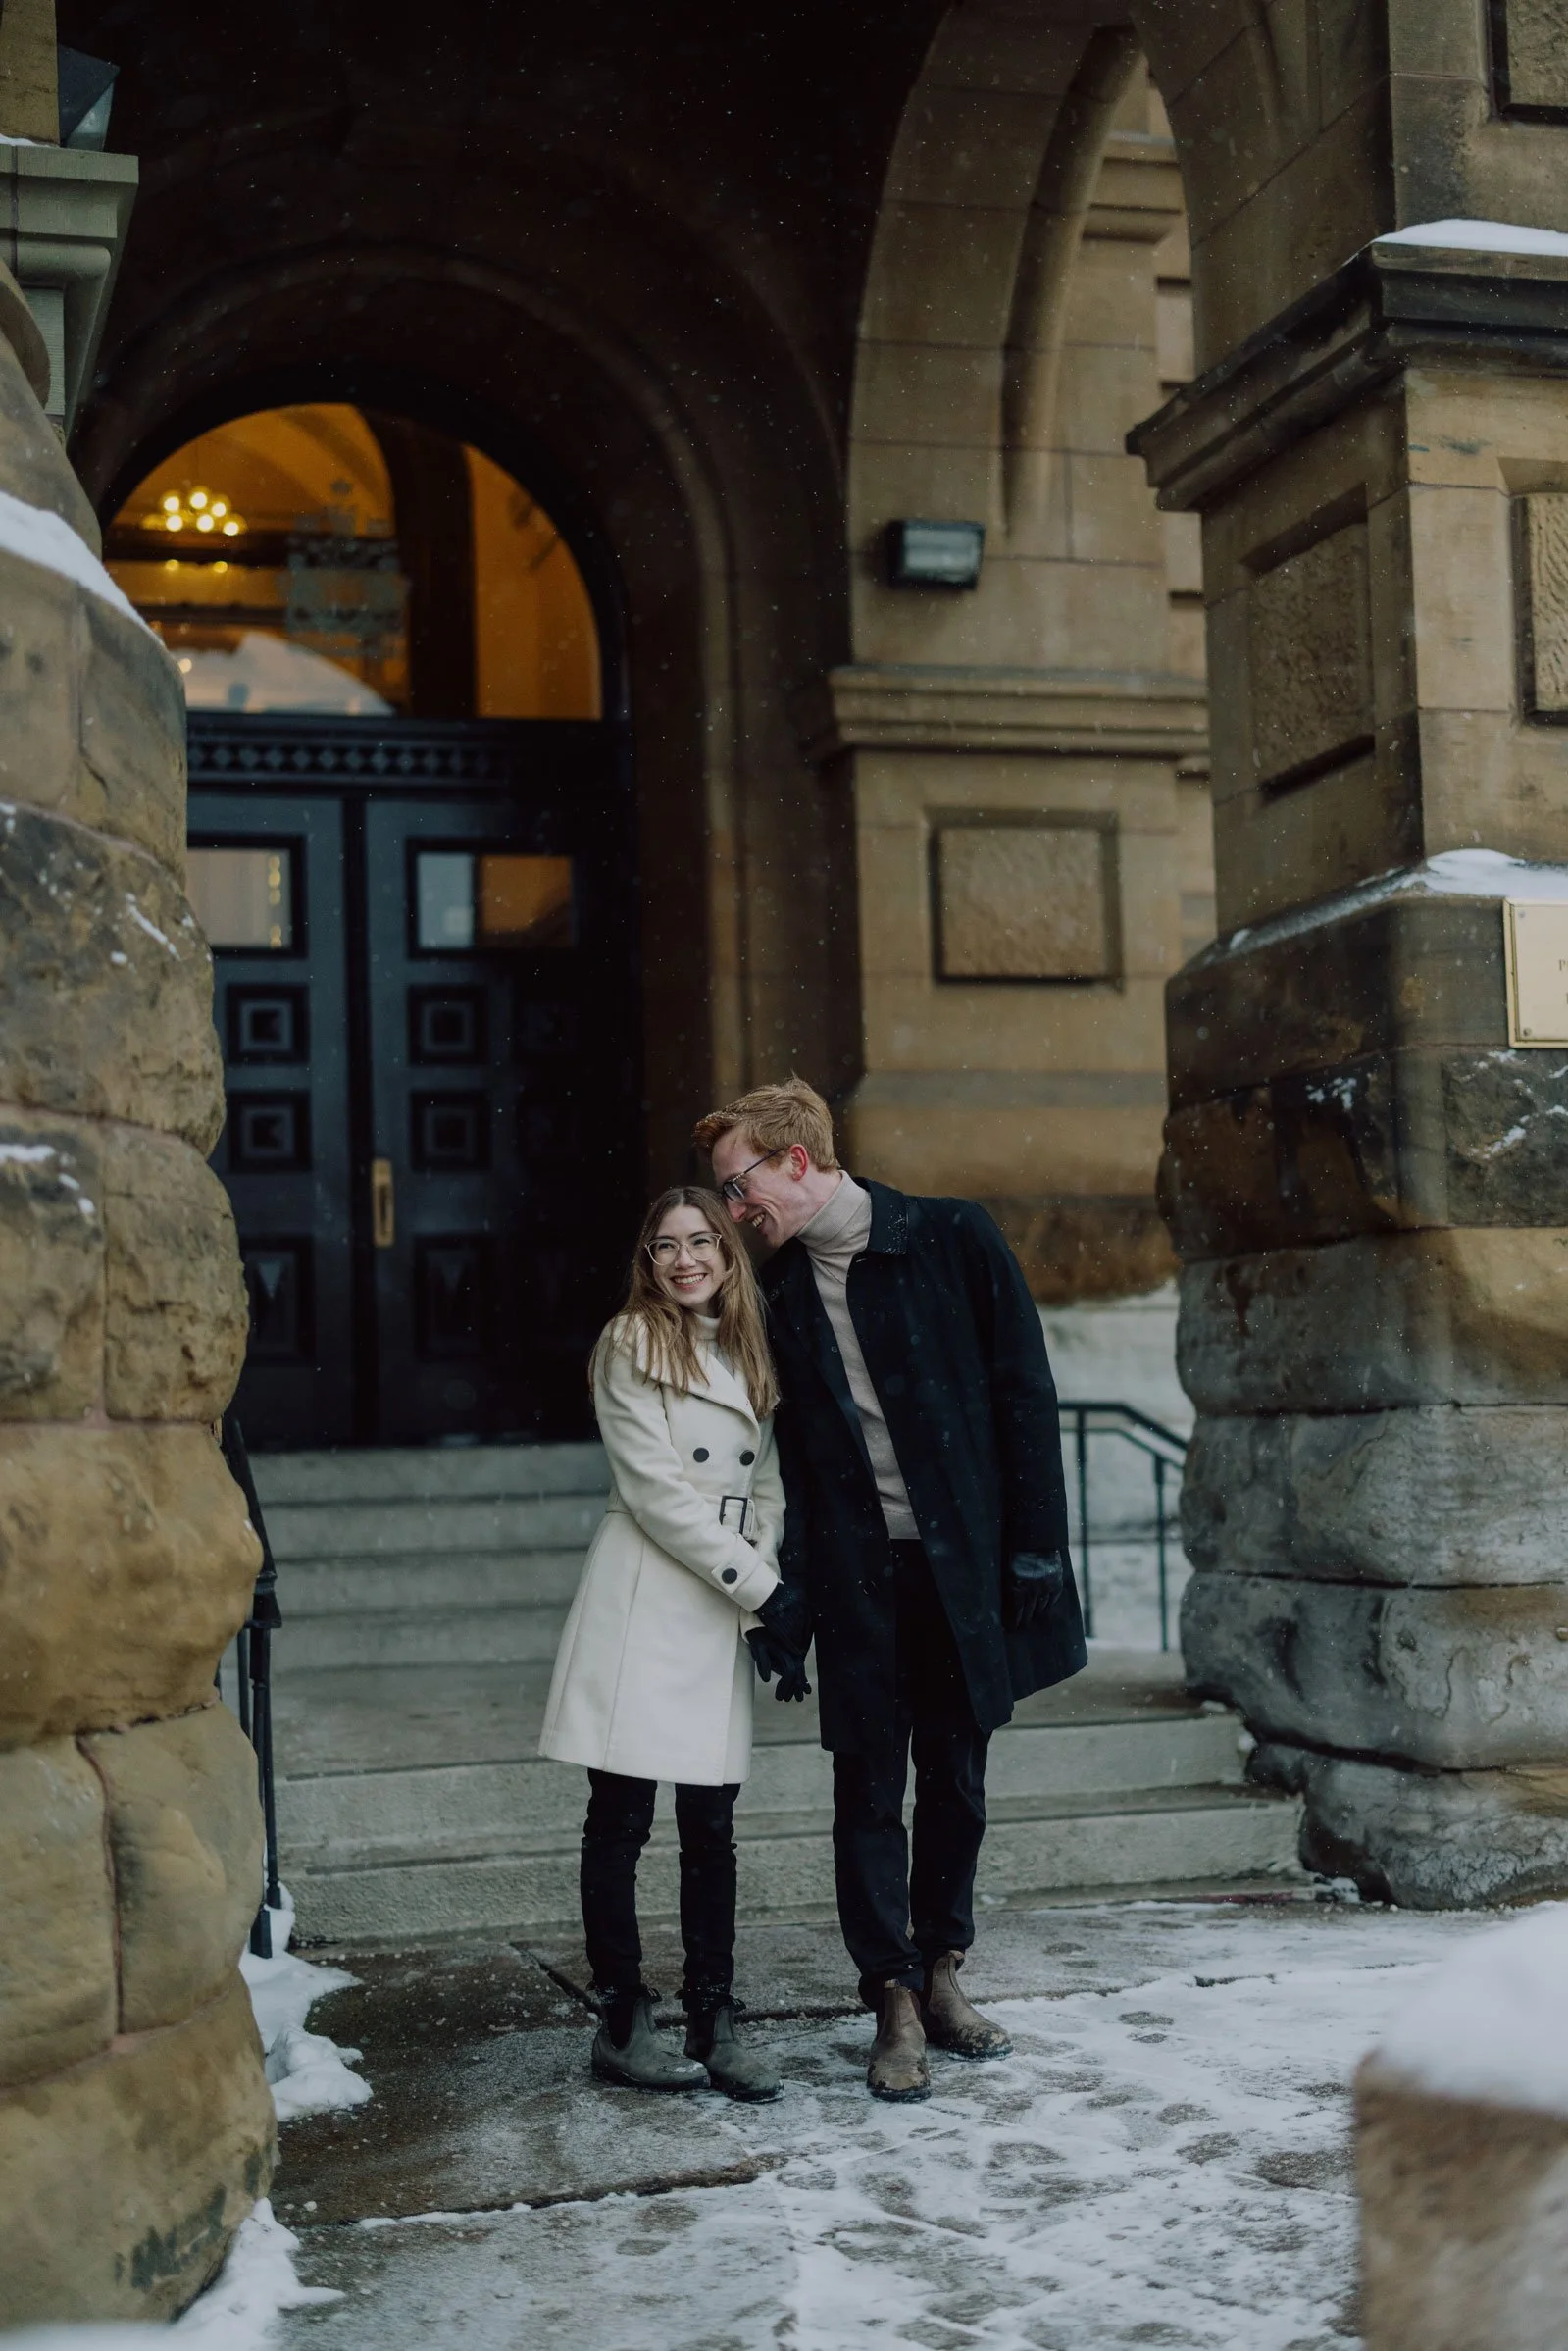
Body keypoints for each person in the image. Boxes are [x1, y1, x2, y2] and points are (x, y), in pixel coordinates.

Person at [693, 1078, 1086, 2103]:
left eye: (738, 1185)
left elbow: (1024, 1390)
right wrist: (786, 1603)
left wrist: (1037, 1543)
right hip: (861, 1576)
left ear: (795, 1160)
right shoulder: (776, 1297)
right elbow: (793, 1469)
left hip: (963, 1568)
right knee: (866, 1788)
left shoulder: (951, 1237)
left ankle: (944, 1967)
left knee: (955, 1776)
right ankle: (893, 1997)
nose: (735, 1211)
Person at [539, 1186, 806, 2101]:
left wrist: (759, 1602)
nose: (684, 1259)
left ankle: (712, 2015)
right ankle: (621, 2018)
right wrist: (763, 1591)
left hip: (721, 1596)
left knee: (711, 1826)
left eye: (701, 1242)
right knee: (619, 1819)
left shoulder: (746, 1347)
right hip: (647, 1593)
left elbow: (765, 1485)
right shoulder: (629, 1342)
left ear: (727, 1254)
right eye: (665, 1245)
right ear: (646, 1261)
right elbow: (656, 1492)